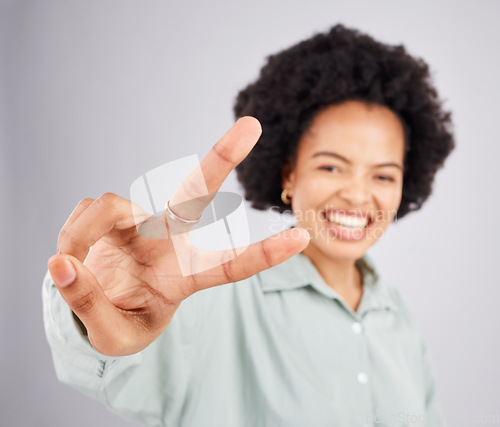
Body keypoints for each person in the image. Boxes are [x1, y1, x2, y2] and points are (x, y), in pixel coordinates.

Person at [43, 24, 454, 426]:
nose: (359, 195)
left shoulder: (398, 319)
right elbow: (113, 364)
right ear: (288, 175)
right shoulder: (210, 298)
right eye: (331, 166)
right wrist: (100, 310)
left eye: (383, 175)